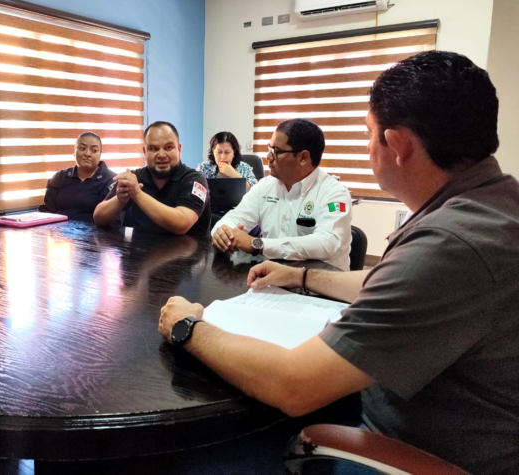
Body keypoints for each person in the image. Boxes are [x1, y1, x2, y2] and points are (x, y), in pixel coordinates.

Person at [158, 51, 519, 474]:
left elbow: (293, 385)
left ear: (397, 145)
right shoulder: (491, 204)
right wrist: (302, 276)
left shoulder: (448, 244)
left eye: (369, 133)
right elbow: (393, 280)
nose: (366, 145)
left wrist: (188, 327)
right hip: (419, 409)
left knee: (197, 459)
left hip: (411, 446)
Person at [211, 119, 352, 271]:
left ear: (303, 158)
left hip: (319, 282)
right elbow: (235, 217)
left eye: (277, 152)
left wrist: (257, 244)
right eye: (270, 149)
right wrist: (224, 232)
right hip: (271, 277)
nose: (269, 157)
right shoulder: (266, 186)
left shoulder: (335, 193)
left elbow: (326, 243)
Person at [93, 121, 211, 237]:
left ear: (179, 149)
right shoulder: (135, 178)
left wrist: (138, 194)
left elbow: (182, 224)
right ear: (144, 152)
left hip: (190, 250)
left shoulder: (195, 179)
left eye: (168, 147)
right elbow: (98, 218)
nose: (161, 155)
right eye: (154, 149)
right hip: (142, 249)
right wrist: (120, 200)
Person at [38, 132, 115, 222]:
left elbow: (112, 221)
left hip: (95, 230)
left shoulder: (111, 180)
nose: (87, 154)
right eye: (82, 148)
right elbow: (47, 212)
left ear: (100, 154)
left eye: (94, 150)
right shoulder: (60, 177)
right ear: (74, 151)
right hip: (60, 229)